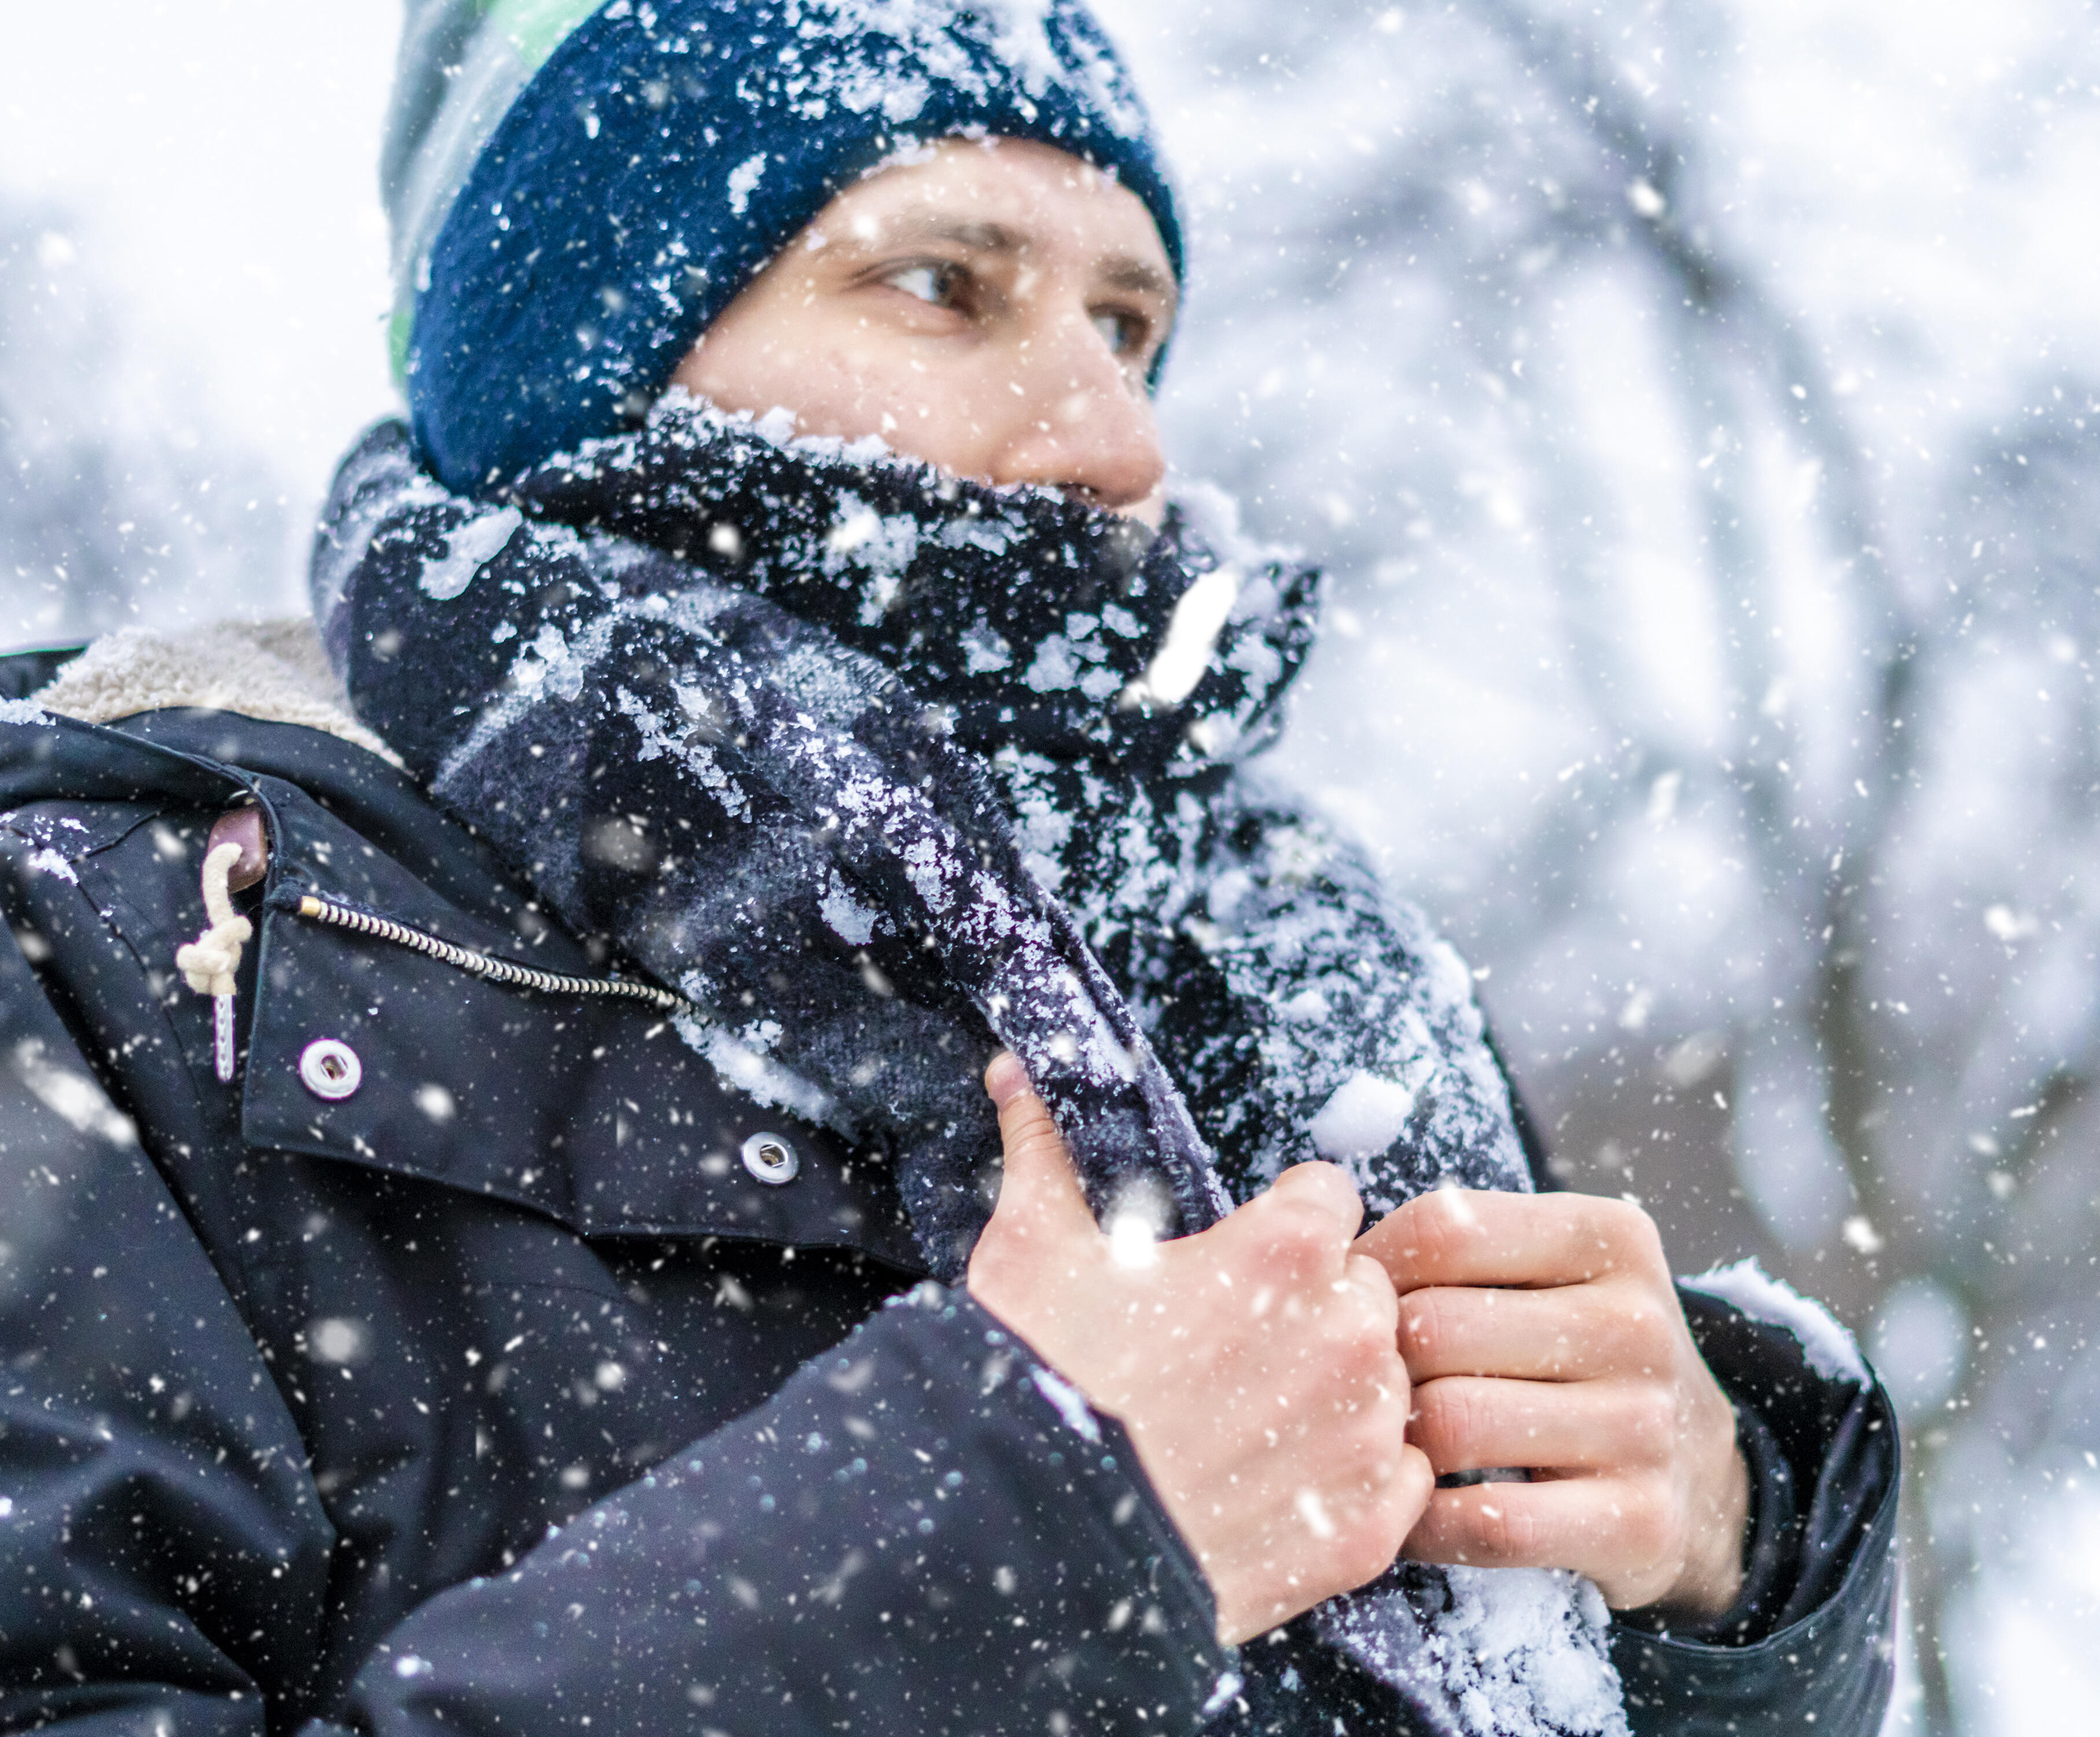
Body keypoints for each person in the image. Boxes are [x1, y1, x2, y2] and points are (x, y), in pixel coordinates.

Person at [0, 4, 1897, 1734]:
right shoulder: (113, 950)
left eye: (1129, 324)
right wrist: (1020, 1538)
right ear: (588, 352)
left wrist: (1728, 1562)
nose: (1116, 441)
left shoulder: (1289, 959)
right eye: (941, 281)